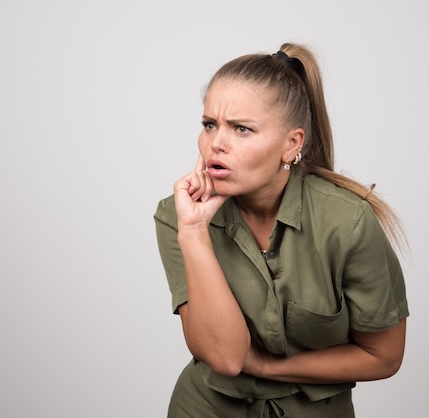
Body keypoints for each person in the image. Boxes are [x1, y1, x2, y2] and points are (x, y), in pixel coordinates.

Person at [154, 42, 409, 418]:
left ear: (292, 145)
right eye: (210, 125)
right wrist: (193, 231)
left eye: (241, 129)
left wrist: (267, 367)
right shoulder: (178, 215)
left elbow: (382, 356)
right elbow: (224, 358)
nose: (216, 144)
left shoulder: (347, 222)